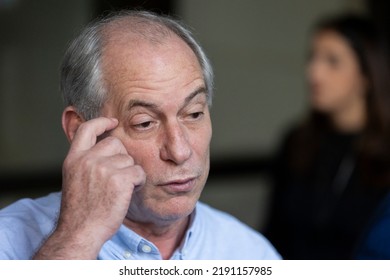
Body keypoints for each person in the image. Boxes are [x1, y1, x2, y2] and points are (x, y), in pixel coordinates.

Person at [0, 10, 280, 260]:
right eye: (145, 123)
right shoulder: (9, 242)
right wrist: (76, 238)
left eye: (194, 114)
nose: (180, 151)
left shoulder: (251, 253)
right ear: (80, 131)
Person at [263, 13, 390, 259]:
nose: (314, 72)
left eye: (332, 61)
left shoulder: (384, 152)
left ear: (366, 75)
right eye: (313, 57)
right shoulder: (297, 141)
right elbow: (273, 232)